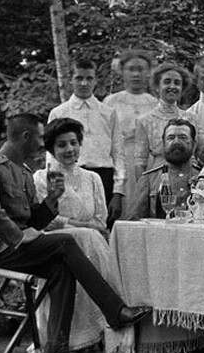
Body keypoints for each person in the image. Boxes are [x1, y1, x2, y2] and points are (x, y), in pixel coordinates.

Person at [0, 113, 148, 353]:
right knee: (65, 243)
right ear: (25, 137)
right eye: (40, 137)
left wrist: (53, 197)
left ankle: (56, 351)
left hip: (15, 249)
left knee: (61, 269)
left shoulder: (24, 171)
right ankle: (114, 311)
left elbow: (34, 222)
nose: (43, 143)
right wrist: (19, 237)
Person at [33, 118, 112, 353]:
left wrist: (88, 228)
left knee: (91, 240)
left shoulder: (92, 178)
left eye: (74, 143)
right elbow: (47, 221)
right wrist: (82, 227)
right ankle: (78, 343)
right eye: (61, 145)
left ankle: (92, 341)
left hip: (90, 245)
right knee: (84, 237)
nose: (69, 150)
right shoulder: (42, 178)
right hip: (55, 245)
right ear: (51, 149)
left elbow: (100, 219)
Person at [48, 56, 126, 225]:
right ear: (70, 80)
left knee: (103, 228)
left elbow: (118, 153)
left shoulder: (108, 113)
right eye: (79, 78)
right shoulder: (59, 113)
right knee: (73, 226)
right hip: (70, 176)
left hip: (104, 177)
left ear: (95, 81)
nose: (84, 83)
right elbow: (51, 154)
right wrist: (54, 187)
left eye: (89, 78)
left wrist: (118, 192)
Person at [103, 49, 158, 207]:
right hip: (121, 160)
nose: (136, 75)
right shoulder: (111, 102)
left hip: (149, 161)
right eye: (131, 69)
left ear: (148, 72)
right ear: (122, 71)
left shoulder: (155, 103)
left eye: (140, 70)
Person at [123, 118, 202, 220]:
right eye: (171, 138)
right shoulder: (149, 179)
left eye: (183, 137)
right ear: (163, 144)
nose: (176, 142)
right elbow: (133, 221)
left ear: (194, 144)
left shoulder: (203, 177)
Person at [133, 61, 194, 180]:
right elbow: (140, 162)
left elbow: (203, 155)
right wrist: (143, 190)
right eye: (167, 82)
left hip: (190, 178)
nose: (172, 86)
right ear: (157, 86)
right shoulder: (145, 121)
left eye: (177, 83)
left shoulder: (192, 118)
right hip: (159, 179)